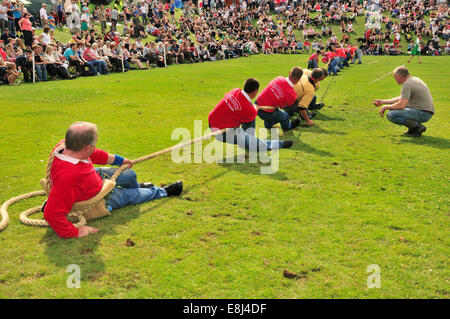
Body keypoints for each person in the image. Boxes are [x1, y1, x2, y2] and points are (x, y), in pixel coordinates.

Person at [43, 121, 183, 238]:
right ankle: (163, 192)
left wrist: (119, 160)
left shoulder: (68, 147)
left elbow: (95, 154)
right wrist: (75, 232)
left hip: (94, 178)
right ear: (86, 148)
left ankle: (137, 186)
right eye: (94, 143)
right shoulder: (69, 177)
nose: (95, 146)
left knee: (130, 174)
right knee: (132, 195)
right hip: (100, 199)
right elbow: (51, 213)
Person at [208, 78, 294, 152]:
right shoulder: (250, 110)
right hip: (222, 132)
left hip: (212, 121)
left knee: (248, 119)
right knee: (254, 142)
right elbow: (250, 114)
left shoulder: (235, 90)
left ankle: (247, 139)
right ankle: (280, 144)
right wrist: (254, 109)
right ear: (255, 91)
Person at [373, 66, 434, 137]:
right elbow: (402, 98)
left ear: (399, 76)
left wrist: (384, 107)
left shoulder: (407, 84)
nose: (395, 79)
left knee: (392, 114)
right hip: (425, 112)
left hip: (423, 113)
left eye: (395, 77)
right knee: (392, 109)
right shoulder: (414, 79)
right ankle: (413, 128)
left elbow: (401, 105)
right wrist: (383, 101)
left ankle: (418, 128)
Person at [254, 67, 303, 131]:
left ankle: (268, 125)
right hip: (267, 112)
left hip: (256, 105)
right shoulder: (292, 95)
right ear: (299, 79)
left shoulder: (278, 78)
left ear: (289, 73)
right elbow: (287, 105)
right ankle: (288, 127)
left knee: (275, 110)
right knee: (285, 115)